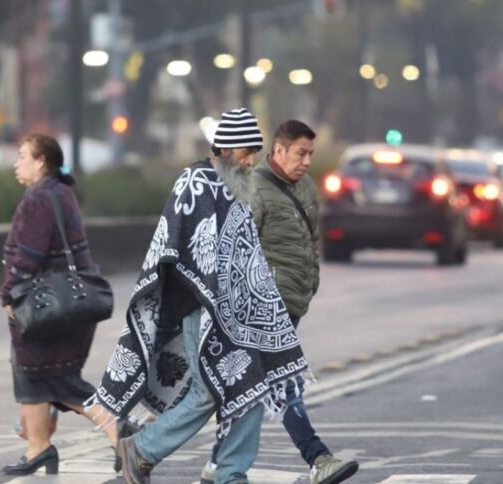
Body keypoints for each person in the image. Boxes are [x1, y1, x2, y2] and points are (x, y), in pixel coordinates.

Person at [86, 108, 311, 484]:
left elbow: (245, 253)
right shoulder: (196, 181)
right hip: (200, 308)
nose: (250, 159)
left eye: (254, 151)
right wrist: (212, 295)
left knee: (249, 390)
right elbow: (177, 247)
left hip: (237, 316)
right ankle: (141, 449)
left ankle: (231, 474)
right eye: (244, 151)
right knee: (208, 393)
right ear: (222, 148)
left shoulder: (237, 185)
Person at [201, 120, 359, 484]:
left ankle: (216, 464)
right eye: (300, 153)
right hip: (263, 305)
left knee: (252, 386)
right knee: (284, 381)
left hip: (293, 301)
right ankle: (318, 459)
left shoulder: (304, 187)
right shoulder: (253, 187)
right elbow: (237, 247)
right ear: (279, 150)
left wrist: (312, 280)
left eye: (310, 154)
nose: (306, 161)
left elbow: (310, 239)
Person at [0, 132, 122, 475]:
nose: (16, 163)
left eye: (22, 156)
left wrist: (9, 292)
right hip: (66, 302)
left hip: (46, 304)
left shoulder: (38, 200)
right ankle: (38, 447)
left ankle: (118, 430)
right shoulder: (61, 192)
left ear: (41, 161)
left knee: (56, 379)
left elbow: (30, 255)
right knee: (37, 375)